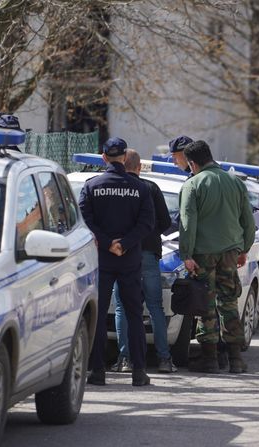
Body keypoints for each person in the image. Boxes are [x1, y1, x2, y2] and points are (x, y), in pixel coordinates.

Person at [79, 137, 155, 386]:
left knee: (98, 315)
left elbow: (85, 221)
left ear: (103, 158)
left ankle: (97, 371)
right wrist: (124, 244)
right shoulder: (141, 188)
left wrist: (108, 242)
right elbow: (147, 224)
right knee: (134, 315)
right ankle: (139, 372)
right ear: (125, 157)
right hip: (130, 259)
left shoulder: (92, 186)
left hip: (101, 258)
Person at [178, 140, 256, 374]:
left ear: (192, 164)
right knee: (229, 302)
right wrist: (244, 249)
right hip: (231, 252)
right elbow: (248, 222)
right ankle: (235, 359)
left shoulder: (193, 184)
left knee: (206, 304)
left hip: (203, 254)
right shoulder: (235, 182)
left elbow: (187, 223)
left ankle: (210, 359)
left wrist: (186, 254)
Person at [111, 149, 175, 374]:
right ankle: (164, 359)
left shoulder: (115, 187)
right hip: (148, 252)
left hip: (122, 253)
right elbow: (166, 222)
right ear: (139, 167)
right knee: (155, 306)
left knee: (122, 307)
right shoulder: (150, 188)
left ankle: (125, 358)